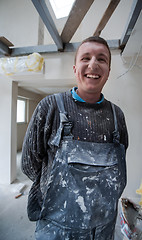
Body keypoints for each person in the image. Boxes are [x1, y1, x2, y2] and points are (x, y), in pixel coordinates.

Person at [21, 36, 128, 240]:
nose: (93, 64)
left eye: (102, 59)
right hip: (57, 229)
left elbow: (119, 167)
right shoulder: (50, 107)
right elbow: (29, 164)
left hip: (103, 230)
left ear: (108, 72)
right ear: (75, 68)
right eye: (85, 58)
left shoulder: (117, 116)